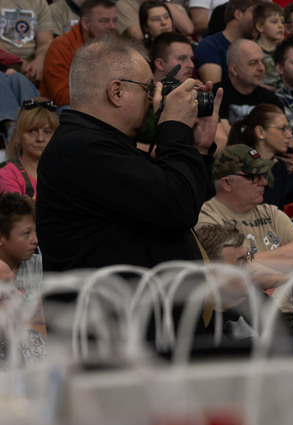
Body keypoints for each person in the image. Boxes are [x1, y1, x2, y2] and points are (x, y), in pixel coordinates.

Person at [37, 35, 222, 271]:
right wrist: (174, 129)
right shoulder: (82, 149)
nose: (152, 98)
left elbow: (189, 201)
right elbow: (178, 207)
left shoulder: (102, 145)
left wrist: (199, 149)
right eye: (147, 88)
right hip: (105, 306)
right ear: (116, 92)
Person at [197, 144, 293, 270]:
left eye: (264, 175)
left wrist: (250, 259)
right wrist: (285, 261)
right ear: (226, 183)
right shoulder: (207, 219)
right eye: (254, 177)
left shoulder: (270, 212)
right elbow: (235, 270)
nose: (263, 182)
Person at [40, 0, 119, 107]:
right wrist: (106, 97)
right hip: (63, 110)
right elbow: (62, 97)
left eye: (115, 21)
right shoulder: (61, 46)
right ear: (85, 23)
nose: (112, 27)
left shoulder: (117, 45)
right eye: (104, 21)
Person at [226, 103, 293, 209]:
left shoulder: (280, 167)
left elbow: (278, 213)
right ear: (260, 132)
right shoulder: (238, 167)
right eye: (282, 129)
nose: (289, 135)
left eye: (288, 129)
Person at [0, 99, 59, 197]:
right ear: (18, 135)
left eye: (47, 132)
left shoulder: (65, 171)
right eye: (32, 131)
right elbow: (17, 212)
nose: (40, 138)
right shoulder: (7, 175)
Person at [216, 39, 283, 124]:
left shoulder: (271, 100)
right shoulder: (216, 95)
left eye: (262, 62)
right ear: (234, 69)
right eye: (253, 63)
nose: (261, 68)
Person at [194, 0, 257, 84]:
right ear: (238, 14)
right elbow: (215, 89)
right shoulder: (210, 46)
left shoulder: (257, 46)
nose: (260, 20)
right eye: (255, 14)